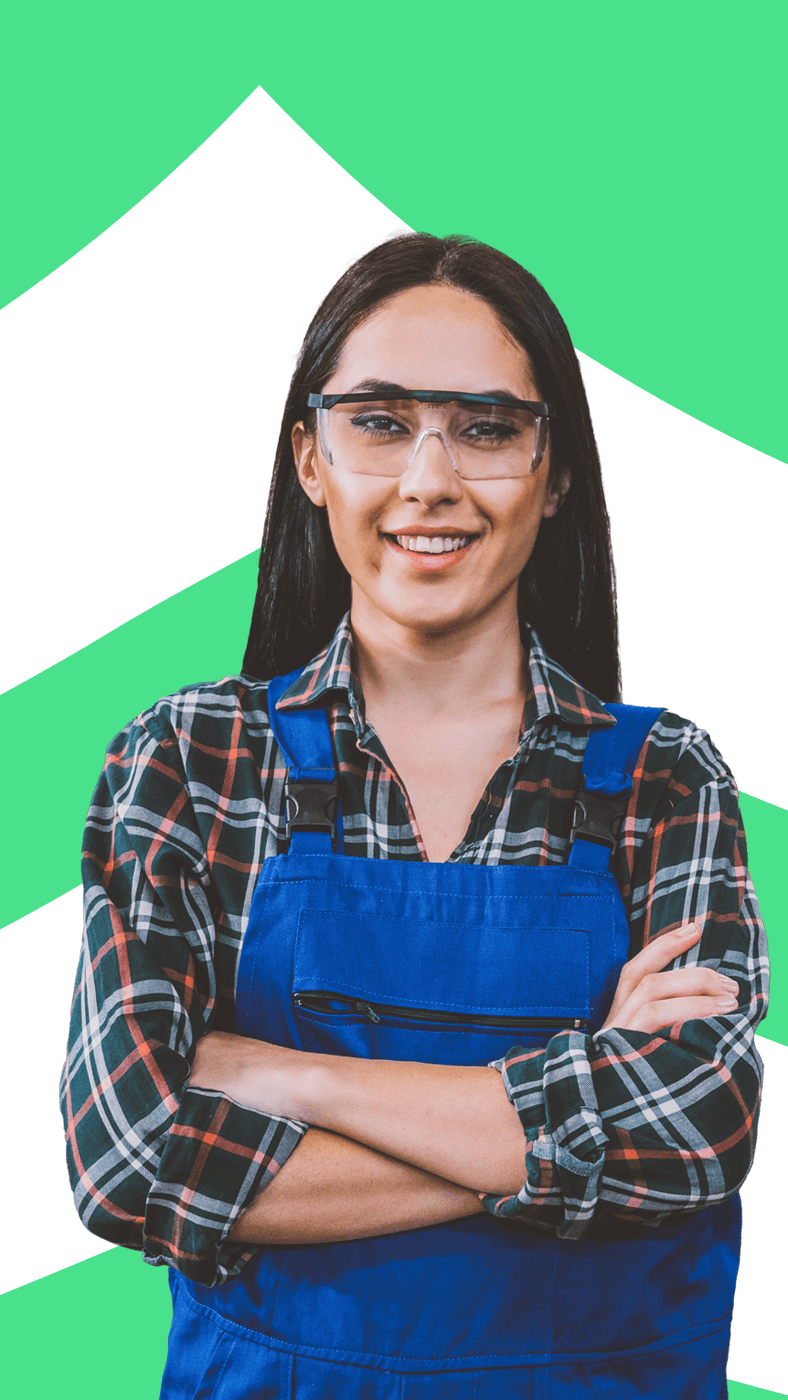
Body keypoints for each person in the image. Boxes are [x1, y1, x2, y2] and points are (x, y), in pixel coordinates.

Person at [60, 233, 768, 1399]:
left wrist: (295, 1079)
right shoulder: (192, 758)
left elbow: (691, 1128)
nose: (428, 479)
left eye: (486, 428)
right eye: (379, 422)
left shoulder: (664, 777)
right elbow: (132, 1160)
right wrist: (576, 1103)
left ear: (554, 473)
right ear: (309, 456)